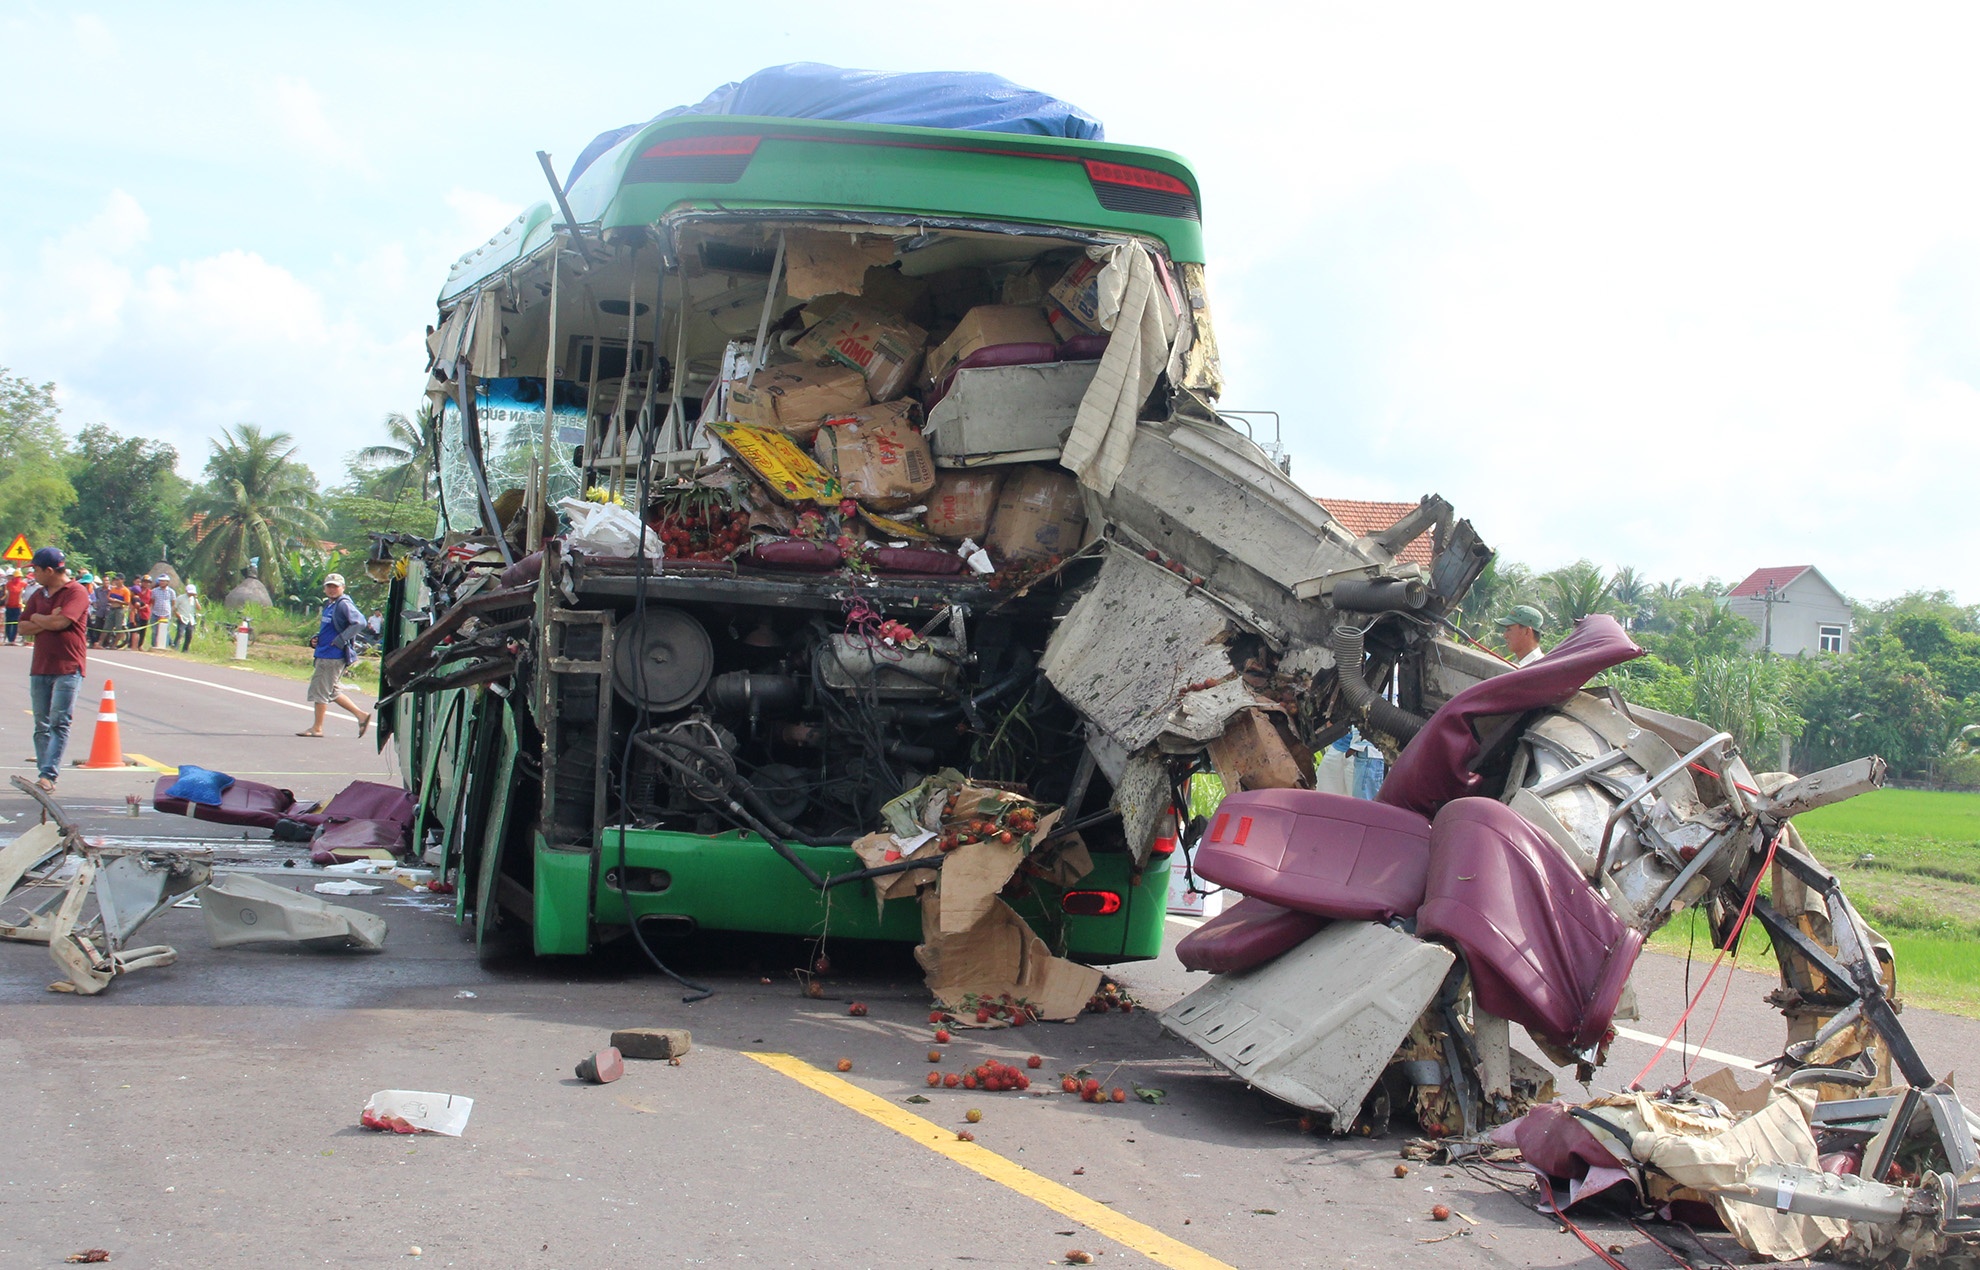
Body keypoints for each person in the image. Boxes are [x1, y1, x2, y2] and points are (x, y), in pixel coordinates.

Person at [18, 548, 90, 791]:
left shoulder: (77, 592)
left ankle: (49, 775)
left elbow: (61, 623)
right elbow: (22, 628)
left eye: (36, 570)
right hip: (40, 666)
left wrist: (40, 619)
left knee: (59, 722)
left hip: (68, 667)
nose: (34, 574)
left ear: (49, 571)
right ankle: (43, 771)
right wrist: (43, 617)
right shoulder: (39, 594)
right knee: (42, 724)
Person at [300, 572, 372, 738]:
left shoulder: (343, 604)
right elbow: (329, 628)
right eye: (329, 586)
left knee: (320, 691)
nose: (332, 589)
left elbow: (360, 622)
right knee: (332, 691)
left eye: (335, 586)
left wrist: (340, 640)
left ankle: (317, 728)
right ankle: (361, 716)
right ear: (325, 588)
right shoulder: (331, 604)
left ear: (343, 588)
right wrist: (316, 639)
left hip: (331, 656)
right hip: (324, 651)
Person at [149, 575, 176, 650]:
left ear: (167, 582)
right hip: (155, 613)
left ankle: (164, 647)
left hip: (166, 614)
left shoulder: (171, 592)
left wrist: (170, 612)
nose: (162, 582)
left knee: (165, 631)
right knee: (154, 631)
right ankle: (154, 646)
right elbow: (152, 601)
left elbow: (173, 603)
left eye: (164, 581)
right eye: (160, 581)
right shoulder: (154, 591)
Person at [172, 583, 199, 652]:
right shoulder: (180, 598)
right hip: (182, 618)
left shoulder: (194, 599)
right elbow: (174, 608)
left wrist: (195, 599)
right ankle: (175, 647)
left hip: (191, 619)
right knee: (180, 633)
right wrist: (177, 615)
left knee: (189, 635)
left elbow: (199, 608)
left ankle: (185, 649)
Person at [106, 574, 130, 646]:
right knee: (107, 626)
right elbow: (108, 597)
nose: (116, 581)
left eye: (118, 580)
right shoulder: (113, 589)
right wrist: (111, 599)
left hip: (120, 609)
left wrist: (117, 601)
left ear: (122, 580)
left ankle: (115, 644)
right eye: (116, 580)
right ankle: (101, 643)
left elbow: (127, 602)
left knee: (118, 627)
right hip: (112, 608)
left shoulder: (126, 590)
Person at [86, 572, 110, 646]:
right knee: (97, 627)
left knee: (107, 628)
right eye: (104, 580)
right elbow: (94, 599)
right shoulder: (98, 590)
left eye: (107, 580)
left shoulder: (112, 589)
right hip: (99, 611)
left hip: (108, 611)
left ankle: (106, 643)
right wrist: (95, 604)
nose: (105, 582)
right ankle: (96, 642)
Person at [126, 583, 150, 650]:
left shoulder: (134, 598)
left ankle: (133, 646)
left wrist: (135, 608)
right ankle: (134, 646)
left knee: (134, 632)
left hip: (134, 616)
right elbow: (145, 605)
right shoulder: (138, 598)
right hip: (136, 615)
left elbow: (137, 604)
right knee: (135, 631)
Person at [3, 567, 22, 646]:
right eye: (17, 577)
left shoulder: (22, 584)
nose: (18, 579)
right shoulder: (8, 584)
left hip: (17, 607)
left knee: (15, 623)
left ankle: (12, 639)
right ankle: (8, 637)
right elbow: (6, 594)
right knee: (8, 622)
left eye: (19, 577)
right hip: (9, 606)